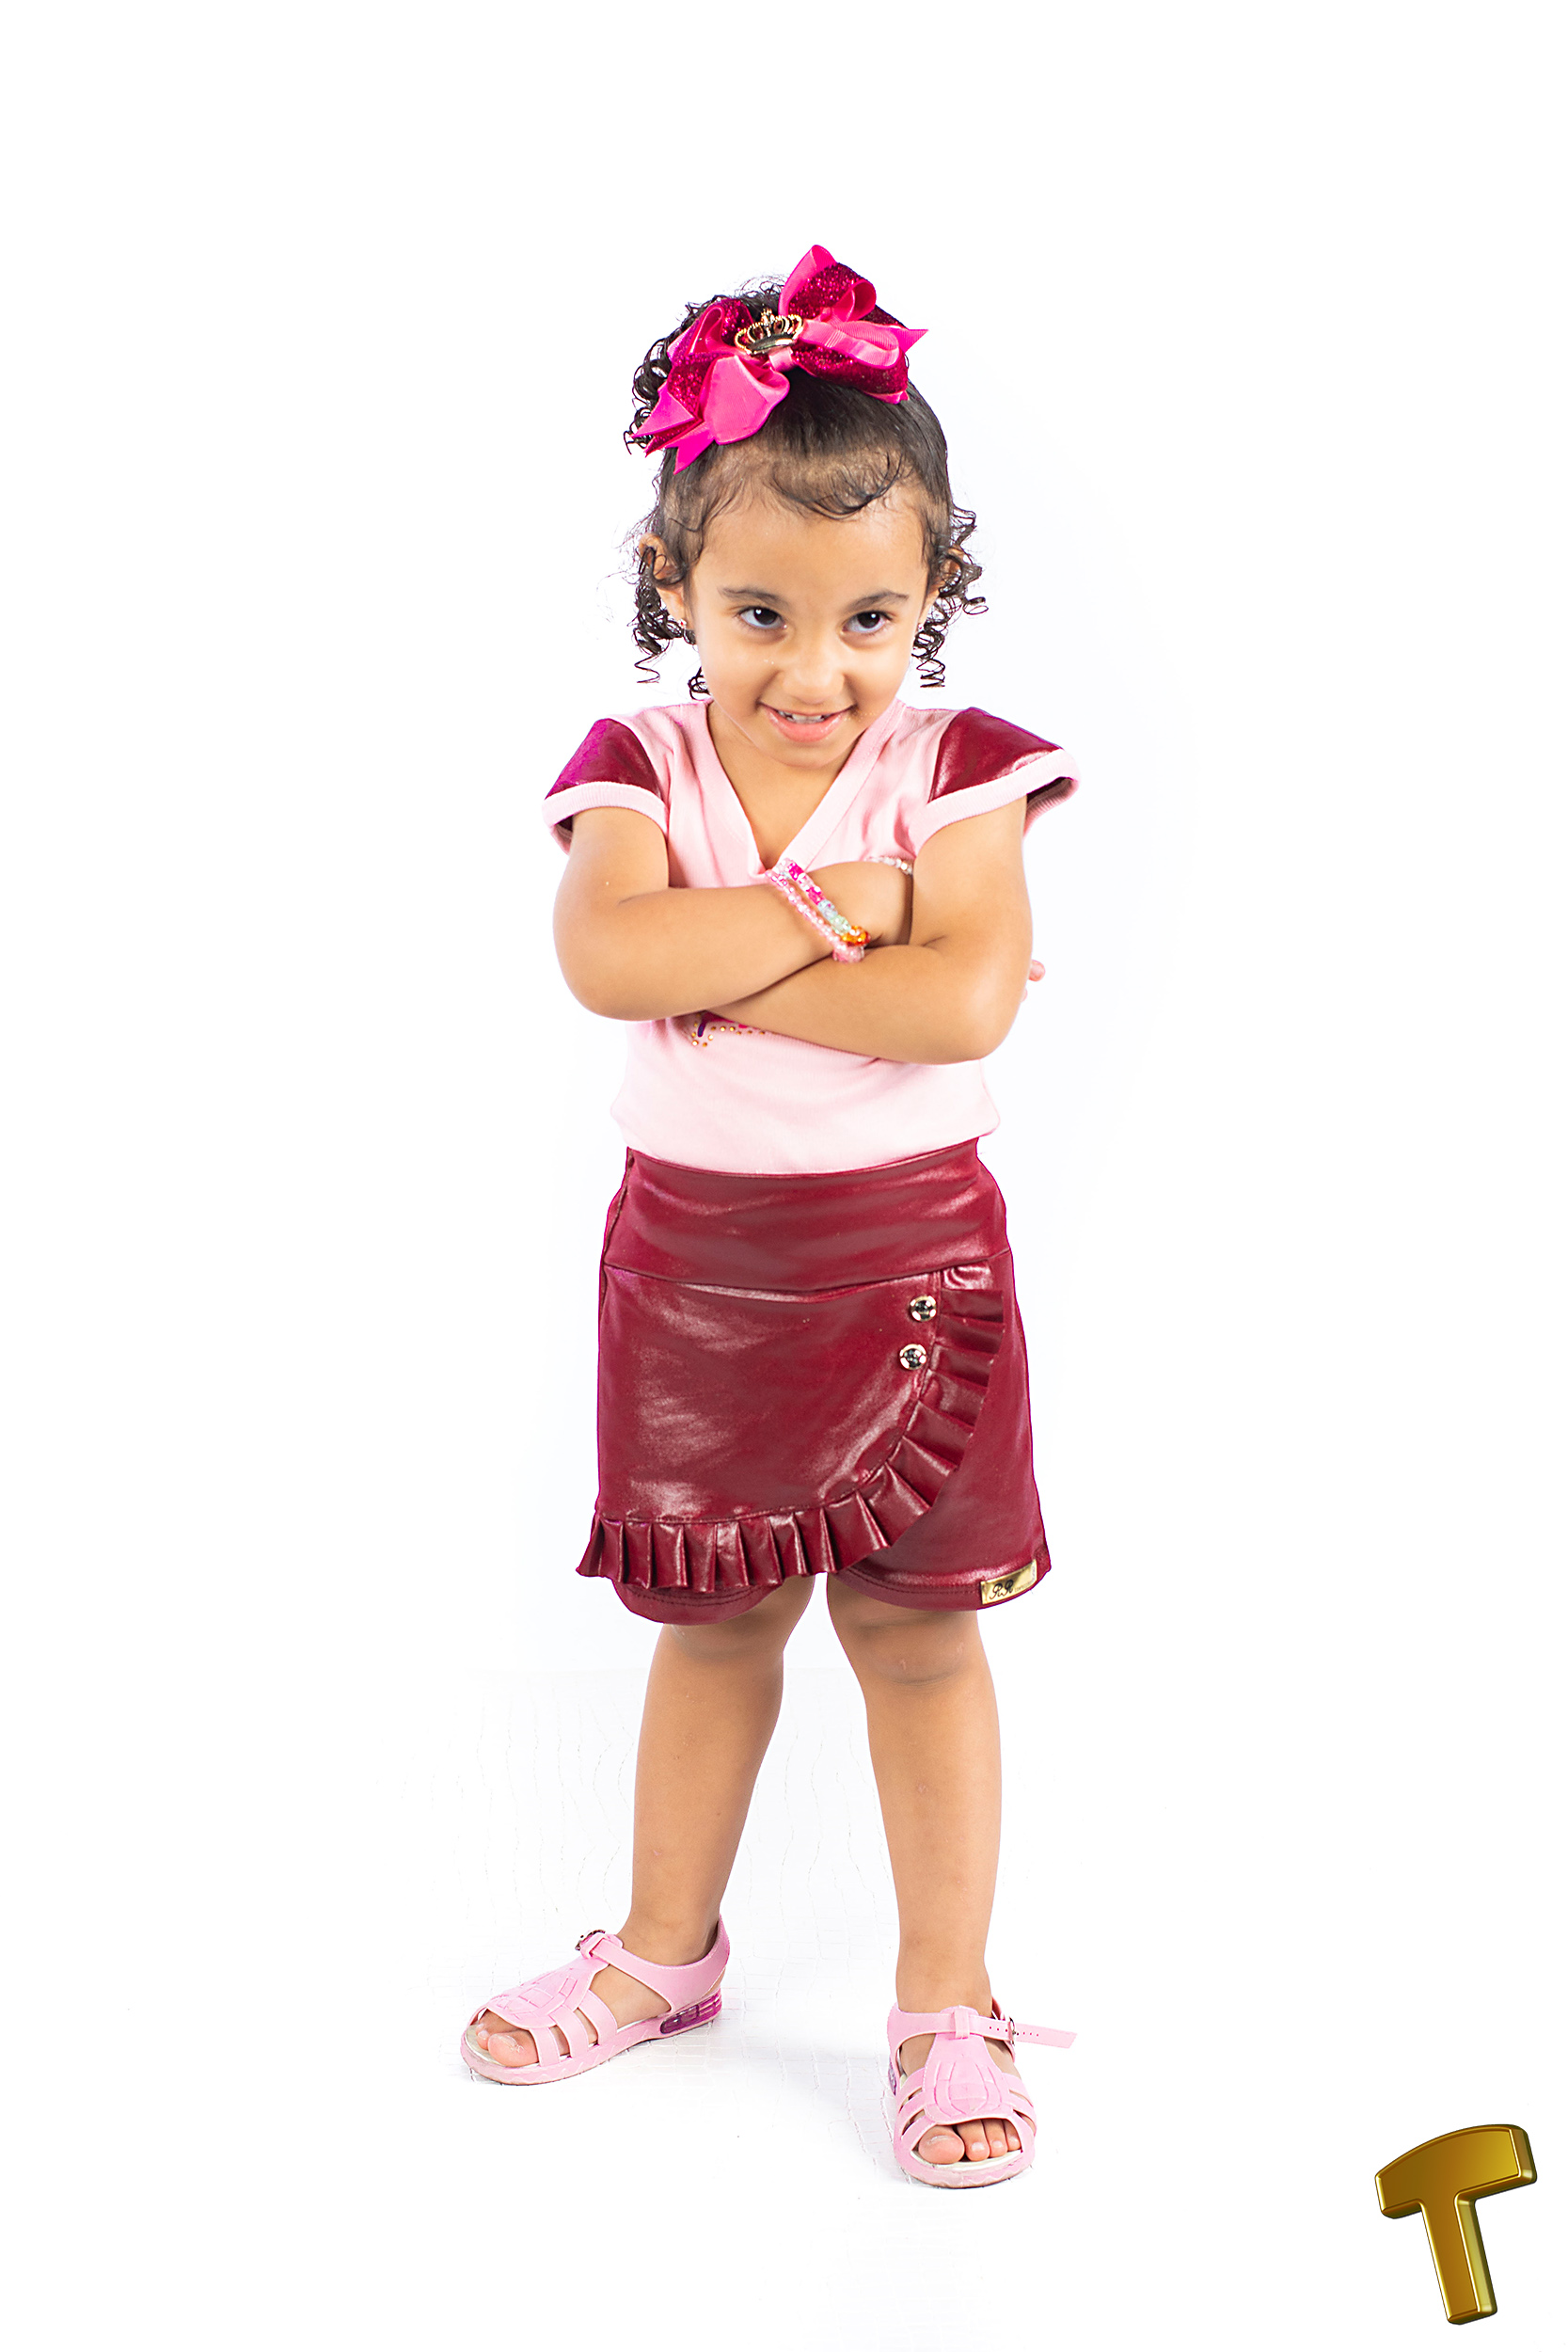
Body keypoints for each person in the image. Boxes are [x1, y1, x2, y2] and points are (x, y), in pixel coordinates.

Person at [460, 245, 1078, 2186]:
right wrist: (845, 911)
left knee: (918, 1635)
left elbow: (962, 1007)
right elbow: (607, 959)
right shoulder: (634, 763)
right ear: (672, 582)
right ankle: (665, 1953)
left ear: (935, 588)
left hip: (913, 1261)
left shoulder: (960, 767)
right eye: (759, 615)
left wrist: (720, 966)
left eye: (872, 617)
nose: (816, 675)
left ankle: (948, 2000)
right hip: (700, 1269)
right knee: (714, 1627)